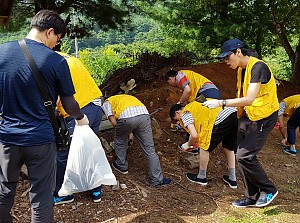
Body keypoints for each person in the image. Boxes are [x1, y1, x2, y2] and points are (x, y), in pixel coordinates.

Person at [0, 10, 89, 223]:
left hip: (7, 138)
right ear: (50, 32)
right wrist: (80, 118)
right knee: (41, 197)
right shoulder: (55, 61)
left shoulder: (1, 52)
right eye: (57, 39)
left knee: (4, 191)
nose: (56, 45)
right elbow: (69, 103)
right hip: (40, 139)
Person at [203, 38, 279, 208]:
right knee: (240, 154)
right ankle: (252, 196)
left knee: (245, 155)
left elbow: (250, 98)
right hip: (247, 116)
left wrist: (221, 103)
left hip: (263, 117)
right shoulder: (242, 69)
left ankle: (269, 189)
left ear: (238, 52)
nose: (225, 62)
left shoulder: (258, 67)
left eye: (227, 58)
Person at [53, 51, 104, 204]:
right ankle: (96, 189)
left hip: (79, 111)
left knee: (63, 152)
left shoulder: (50, 63)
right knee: (89, 148)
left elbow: (53, 98)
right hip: (95, 106)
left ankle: (63, 194)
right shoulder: (67, 58)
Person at [102, 94, 172, 187]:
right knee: (149, 149)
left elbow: (113, 121)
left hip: (126, 118)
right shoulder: (126, 97)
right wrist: (129, 132)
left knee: (120, 140)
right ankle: (157, 180)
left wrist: (124, 132)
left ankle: (121, 165)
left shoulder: (106, 102)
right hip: (144, 116)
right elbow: (136, 119)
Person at [169, 102, 238, 188]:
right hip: (234, 114)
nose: (179, 122)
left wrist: (188, 145)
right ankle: (232, 179)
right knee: (228, 148)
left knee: (204, 147)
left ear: (177, 112)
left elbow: (194, 135)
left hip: (221, 119)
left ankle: (201, 177)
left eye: (176, 120)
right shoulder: (195, 105)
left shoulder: (185, 113)